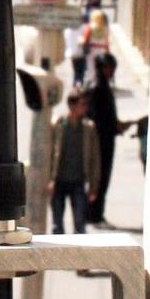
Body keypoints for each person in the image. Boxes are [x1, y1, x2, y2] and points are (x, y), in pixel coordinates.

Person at [47, 89, 101, 235]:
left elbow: (95, 160)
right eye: (82, 104)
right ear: (72, 105)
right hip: (58, 181)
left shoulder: (88, 128)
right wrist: (49, 180)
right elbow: (49, 154)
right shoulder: (58, 125)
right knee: (57, 226)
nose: (85, 108)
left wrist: (94, 186)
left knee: (80, 225)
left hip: (78, 181)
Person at [86, 50, 122, 224]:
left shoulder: (104, 86)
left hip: (107, 139)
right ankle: (93, 214)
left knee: (103, 177)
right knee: (98, 177)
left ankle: (97, 212)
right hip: (99, 142)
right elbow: (95, 118)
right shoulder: (97, 88)